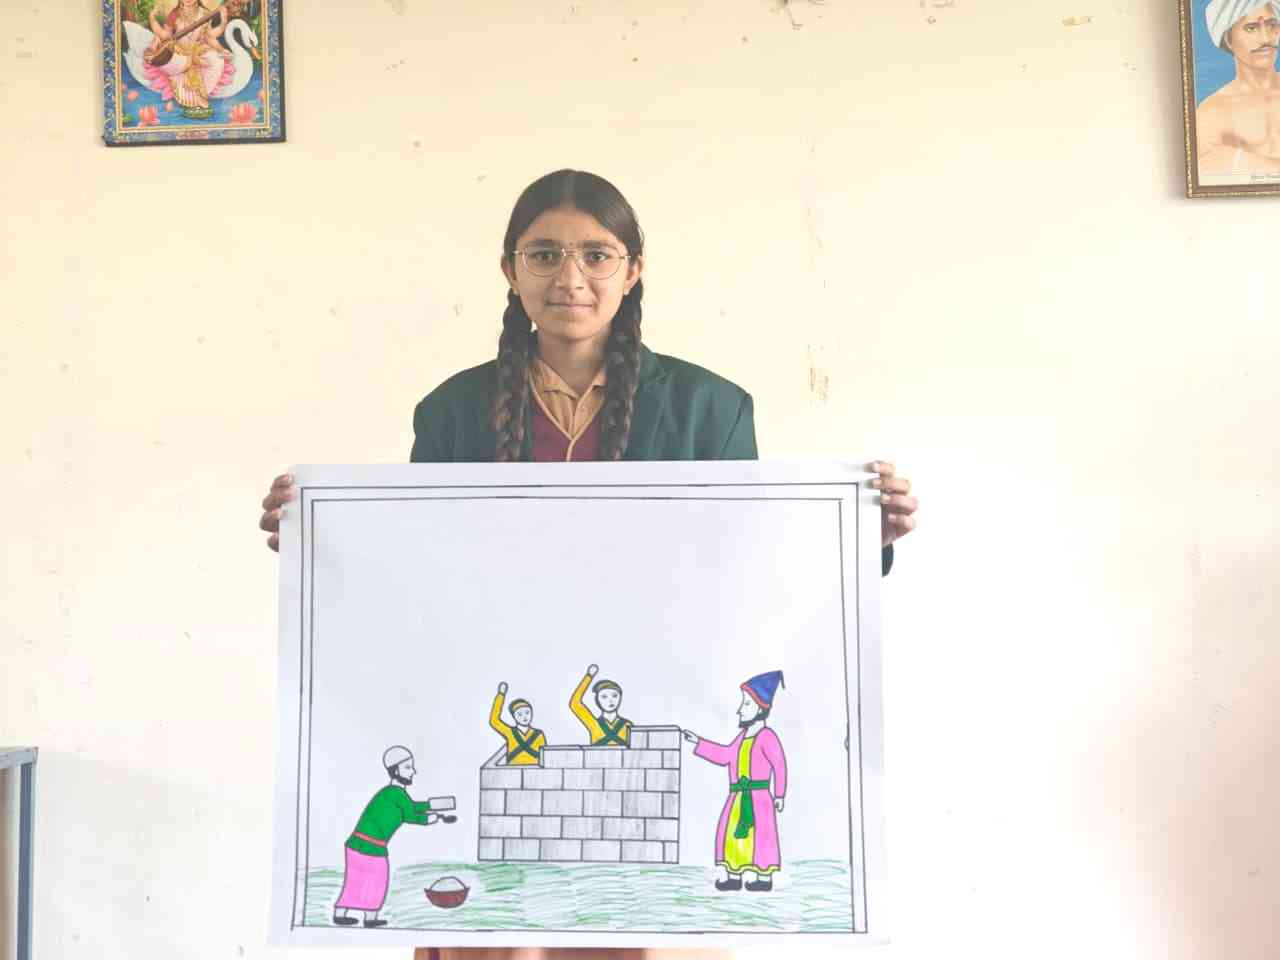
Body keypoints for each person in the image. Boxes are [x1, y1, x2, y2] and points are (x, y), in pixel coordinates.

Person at [257, 168, 919, 959]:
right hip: (491, 689)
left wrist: (867, 538)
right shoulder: (453, 411)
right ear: (510, 270)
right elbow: (415, 576)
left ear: (633, 270)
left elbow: (749, 572)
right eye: (544, 254)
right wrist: (317, 543)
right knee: (498, 931)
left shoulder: (710, 407)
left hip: (660, 681)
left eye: (596, 255)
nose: (570, 277)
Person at [682, 670, 788, 893]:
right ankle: (733, 876)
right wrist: (698, 742)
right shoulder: (742, 737)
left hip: (759, 799)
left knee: (761, 836)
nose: (740, 709)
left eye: (747, 704)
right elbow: (724, 755)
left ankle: (763, 878)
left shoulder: (767, 736)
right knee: (731, 836)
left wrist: (779, 794)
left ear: (760, 708)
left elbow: (779, 765)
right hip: (737, 798)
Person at [333, 746, 449, 928]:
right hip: (371, 847)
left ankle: (341, 914)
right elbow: (409, 815)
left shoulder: (391, 792)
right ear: (395, 770)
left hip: (358, 844)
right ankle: (369, 918)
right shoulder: (396, 793)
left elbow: (409, 806)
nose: (413, 771)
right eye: (408, 767)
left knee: (356, 881)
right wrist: (430, 818)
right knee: (376, 882)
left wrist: (430, 805)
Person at [1196, 0, 1280, 176]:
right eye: (1251, 28)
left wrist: (1241, 160)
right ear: (1229, 39)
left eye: (1272, 25)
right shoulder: (1210, 112)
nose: (1266, 38)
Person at [144, 0, 238, 118]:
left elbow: (209, 37)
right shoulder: (174, 14)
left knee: (215, 59)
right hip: (179, 53)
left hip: (197, 49)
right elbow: (165, 35)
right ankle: (194, 103)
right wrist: (152, 18)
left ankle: (201, 98)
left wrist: (223, 27)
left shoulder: (205, 13)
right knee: (181, 64)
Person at [570, 664, 631, 746]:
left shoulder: (627, 725)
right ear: (597, 700)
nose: (610, 700)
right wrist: (589, 676)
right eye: (604, 697)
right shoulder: (593, 724)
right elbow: (575, 704)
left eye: (614, 695)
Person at [488, 682, 546, 765]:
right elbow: (494, 721)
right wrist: (501, 695)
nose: (524, 717)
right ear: (514, 716)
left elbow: (544, 757)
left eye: (527, 712)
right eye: (520, 714)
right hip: (513, 769)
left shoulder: (539, 734)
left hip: (534, 770)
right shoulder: (510, 732)